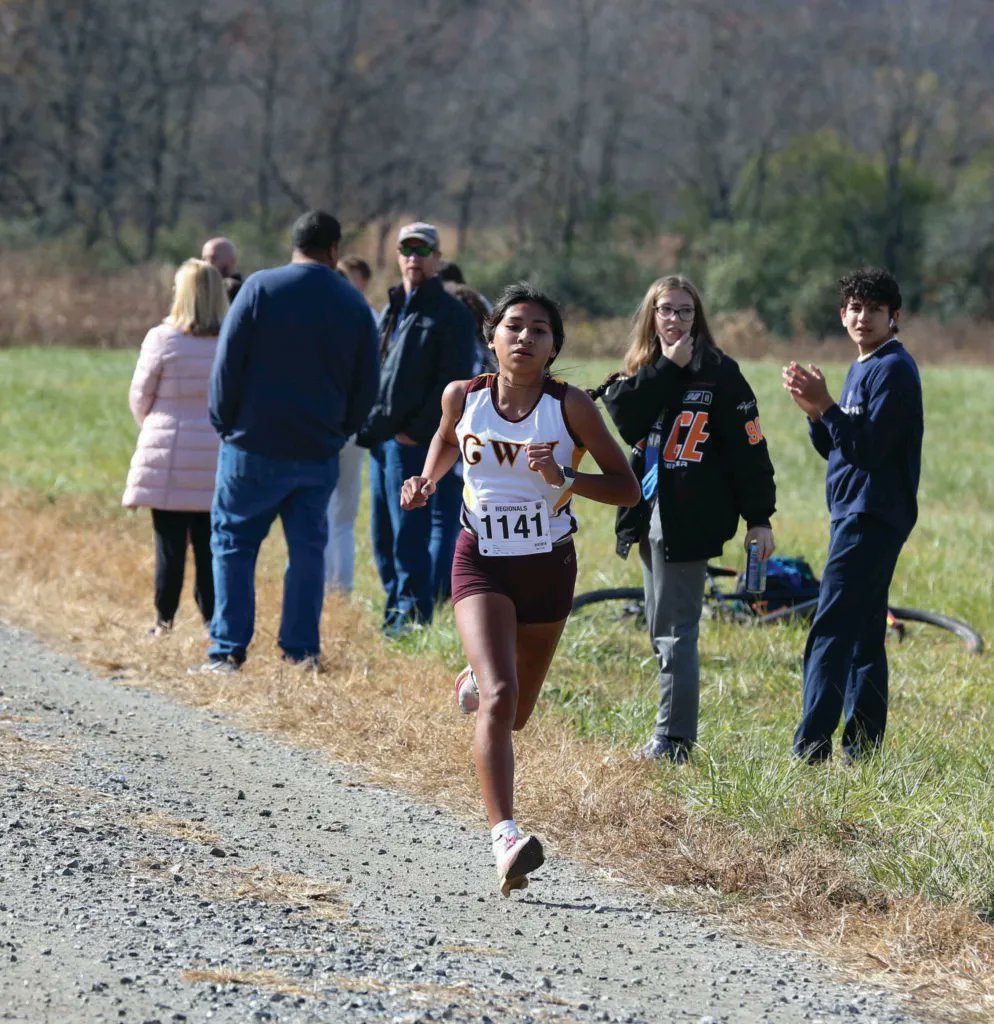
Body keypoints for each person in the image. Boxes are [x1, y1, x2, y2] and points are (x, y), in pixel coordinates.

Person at [401, 283, 640, 896]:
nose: (525, 338)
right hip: (479, 559)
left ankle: (474, 680)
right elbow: (448, 439)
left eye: (539, 330)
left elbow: (627, 488)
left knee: (517, 713)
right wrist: (427, 480)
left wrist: (567, 477)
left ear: (554, 346)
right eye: (513, 326)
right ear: (492, 337)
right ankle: (505, 836)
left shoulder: (571, 408)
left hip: (548, 568)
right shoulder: (464, 396)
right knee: (501, 696)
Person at [602, 275, 776, 763]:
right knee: (659, 627)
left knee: (677, 631)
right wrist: (668, 369)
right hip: (648, 511)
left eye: (684, 311)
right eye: (665, 311)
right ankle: (669, 731)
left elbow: (750, 452)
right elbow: (625, 418)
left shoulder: (720, 372)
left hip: (691, 516)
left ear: (698, 317)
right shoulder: (643, 370)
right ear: (650, 317)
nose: (675, 320)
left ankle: (674, 741)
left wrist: (759, 519)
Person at [201, 210, 379, 672]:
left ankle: (227, 650)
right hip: (317, 450)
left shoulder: (259, 288)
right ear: (335, 250)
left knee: (234, 544)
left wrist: (225, 423)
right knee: (307, 553)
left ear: (293, 243)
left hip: (252, 446)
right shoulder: (354, 304)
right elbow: (367, 385)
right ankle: (300, 652)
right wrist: (342, 431)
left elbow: (227, 364)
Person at [784, 267, 923, 763]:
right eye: (855, 308)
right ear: (843, 315)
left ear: (895, 317)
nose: (863, 317)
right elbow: (839, 447)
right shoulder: (863, 365)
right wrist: (815, 411)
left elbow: (868, 449)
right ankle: (862, 750)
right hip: (853, 511)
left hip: (872, 513)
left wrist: (828, 407)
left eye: (875, 310)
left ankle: (810, 750)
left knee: (830, 629)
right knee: (865, 632)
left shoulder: (893, 370)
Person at [356, 222, 477, 635]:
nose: (414, 258)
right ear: (397, 256)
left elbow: (455, 383)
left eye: (423, 250)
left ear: (437, 258)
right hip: (383, 439)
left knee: (411, 535)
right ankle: (394, 612)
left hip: (415, 444)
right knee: (383, 535)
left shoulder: (451, 314)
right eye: (406, 250)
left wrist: (418, 433)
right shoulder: (394, 306)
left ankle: (412, 619)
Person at [123, 259, 228, 636]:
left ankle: (163, 622)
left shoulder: (161, 339)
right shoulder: (229, 340)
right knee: (210, 547)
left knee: (169, 547)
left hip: (168, 451)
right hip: (215, 455)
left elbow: (140, 397)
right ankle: (212, 622)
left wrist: (158, 425)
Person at [324, 256, 375, 596]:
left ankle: (325, 588)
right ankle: (340, 589)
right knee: (342, 517)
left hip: (325, 425)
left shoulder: (320, 315)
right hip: (355, 425)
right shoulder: (366, 315)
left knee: (323, 513)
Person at [202, 237, 243, 302]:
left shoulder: (242, 291)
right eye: (204, 259)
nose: (207, 264)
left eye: (213, 258)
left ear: (231, 260)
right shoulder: (202, 289)